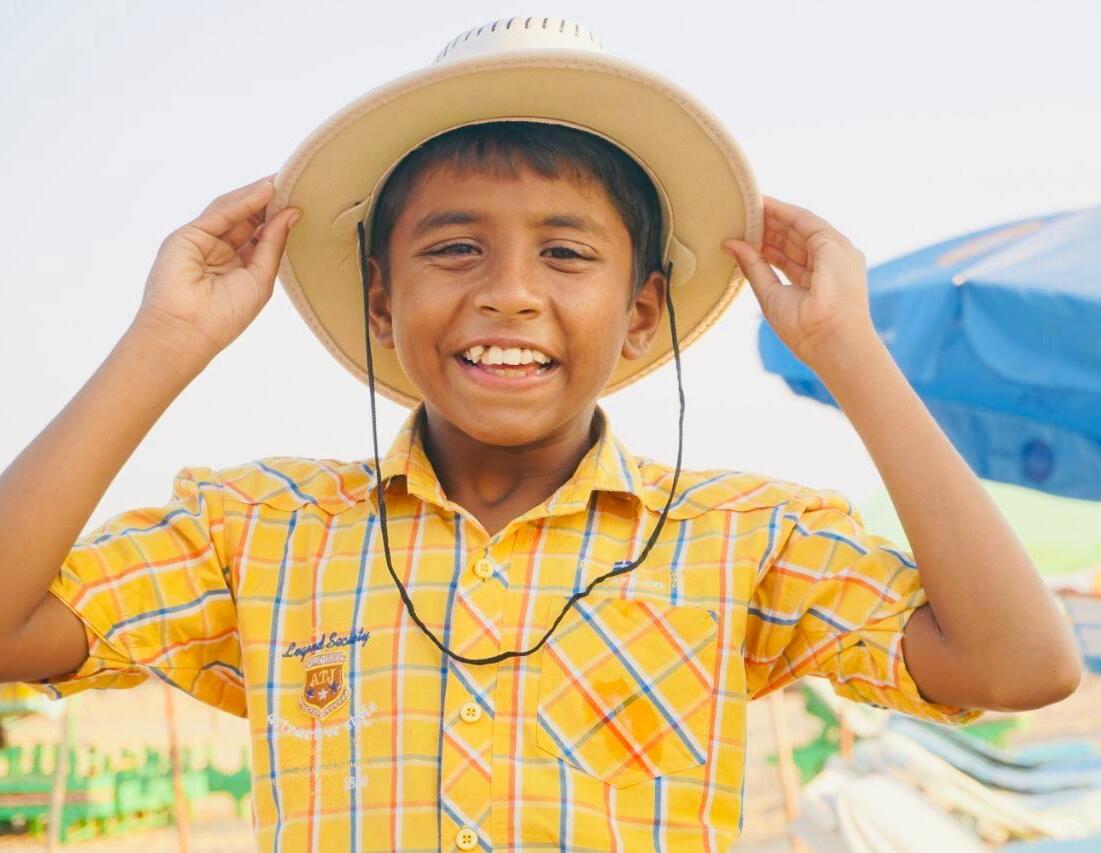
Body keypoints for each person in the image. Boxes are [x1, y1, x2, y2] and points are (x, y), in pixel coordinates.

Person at [0, 16, 1082, 852]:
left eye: (566, 255)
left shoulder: (742, 537)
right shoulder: (262, 531)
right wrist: (165, 339)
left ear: (642, 312)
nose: (510, 295)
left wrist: (849, 348)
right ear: (380, 301)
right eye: (455, 249)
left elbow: (1019, 665)